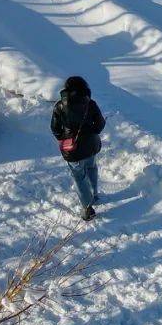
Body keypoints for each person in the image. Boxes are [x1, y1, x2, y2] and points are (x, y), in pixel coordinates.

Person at [50, 76, 106, 221]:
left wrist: (66, 138)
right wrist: (90, 132)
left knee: (79, 177)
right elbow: (100, 124)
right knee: (92, 167)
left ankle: (87, 209)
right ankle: (94, 194)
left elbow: (55, 129)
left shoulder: (59, 106)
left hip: (72, 150)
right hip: (91, 146)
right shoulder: (90, 104)